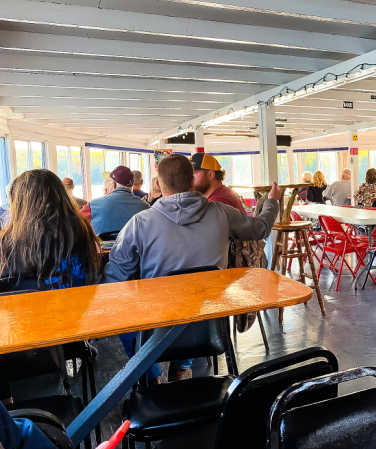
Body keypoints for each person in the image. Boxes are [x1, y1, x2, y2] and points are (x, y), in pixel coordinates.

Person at [105, 154, 280, 380]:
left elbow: (115, 277)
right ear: (192, 181)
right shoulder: (222, 214)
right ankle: (182, 367)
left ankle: (152, 375)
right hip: (211, 327)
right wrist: (272, 201)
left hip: (156, 329)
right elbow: (260, 228)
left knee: (126, 319)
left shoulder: (140, 223)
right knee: (193, 303)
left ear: (158, 184)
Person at [0, 169, 99, 292]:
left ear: (20, 203)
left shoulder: (9, 240)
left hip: (27, 307)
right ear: (61, 195)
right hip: (77, 302)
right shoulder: (80, 229)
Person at [80, 166, 149, 237]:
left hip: (102, 247)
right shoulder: (145, 207)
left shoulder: (93, 205)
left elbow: (75, 222)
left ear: (114, 184)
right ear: (131, 185)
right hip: (135, 248)